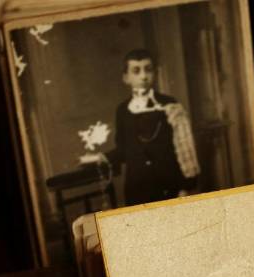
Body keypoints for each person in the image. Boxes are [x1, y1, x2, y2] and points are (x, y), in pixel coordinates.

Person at [81, 48, 200, 205]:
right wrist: (100, 157)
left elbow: (185, 148)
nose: (143, 76)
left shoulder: (170, 105)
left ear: (155, 73)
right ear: (126, 77)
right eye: (136, 71)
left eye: (148, 70)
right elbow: (124, 149)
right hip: (137, 188)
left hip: (170, 186)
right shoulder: (123, 110)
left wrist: (185, 186)